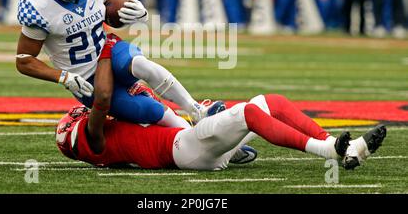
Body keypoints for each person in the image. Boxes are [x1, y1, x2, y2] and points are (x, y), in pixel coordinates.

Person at [15, 0, 226, 131]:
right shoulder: (37, 5)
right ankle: (202, 137)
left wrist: (133, 11)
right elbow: (24, 60)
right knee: (154, 112)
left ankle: (196, 110)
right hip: (86, 78)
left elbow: (108, 7)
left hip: (109, 50)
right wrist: (63, 77)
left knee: (140, 63)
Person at [56, 90, 386, 171]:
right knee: (249, 112)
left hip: (191, 145)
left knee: (270, 102)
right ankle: (329, 151)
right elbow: (100, 102)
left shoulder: (108, 137)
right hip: (183, 148)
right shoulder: (95, 142)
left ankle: (348, 147)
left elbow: (155, 110)